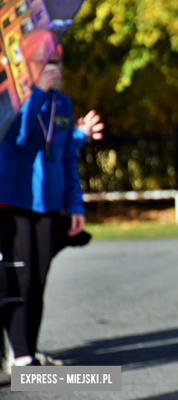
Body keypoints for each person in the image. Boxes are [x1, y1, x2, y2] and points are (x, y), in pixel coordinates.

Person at [0, 30, 84, 370]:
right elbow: (17, 137)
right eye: (46, 62)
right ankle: (21, 356)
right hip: (15, 202)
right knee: (18, 277)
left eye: (57, 62)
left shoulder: (62, 104)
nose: (55, 68)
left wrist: (75, 204)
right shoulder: (13, 100)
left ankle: (27, 351)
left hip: (49, 205)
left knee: (38, 279)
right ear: (29, 66)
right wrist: (35, 92)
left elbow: (66, 157)